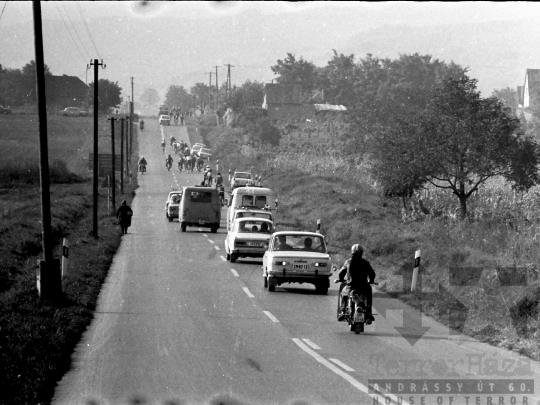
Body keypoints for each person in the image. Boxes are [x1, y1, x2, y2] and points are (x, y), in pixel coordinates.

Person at [336, 244, 376, 323]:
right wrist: (371, 280)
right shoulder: (365, 263)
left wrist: (341, 279)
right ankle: (368, 312)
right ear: (361, 253)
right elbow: (372, 274)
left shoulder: (348, 262)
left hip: (351, 286)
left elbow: (341, 273)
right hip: (363, 287)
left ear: (352, 252)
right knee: (369, 292)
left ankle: (343, 311)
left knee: (343, 293)